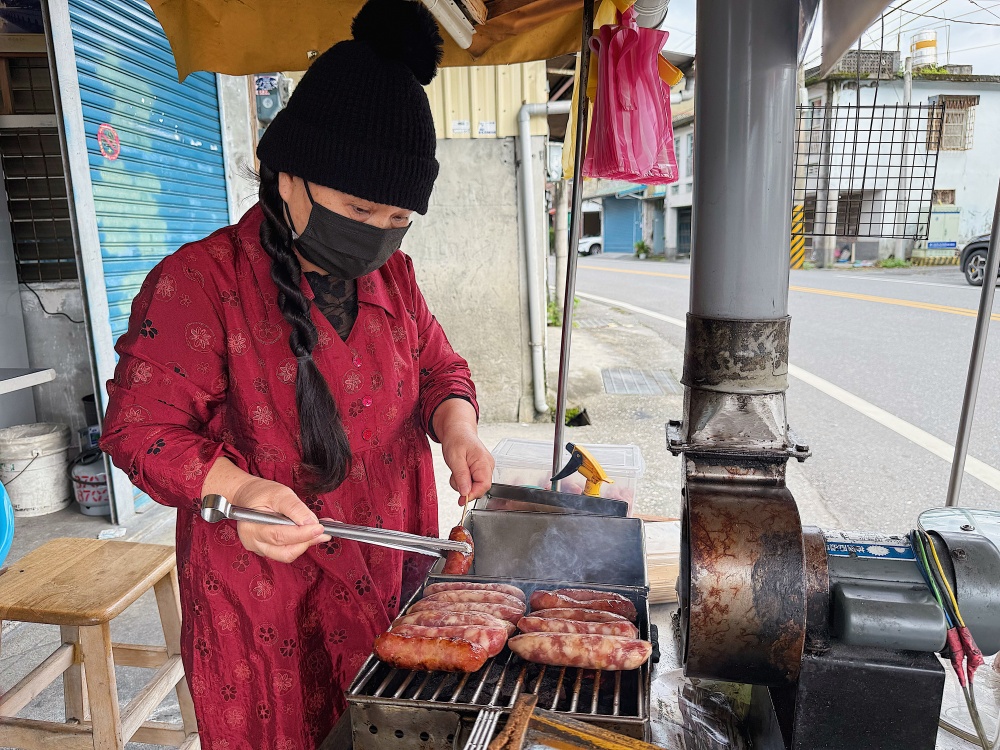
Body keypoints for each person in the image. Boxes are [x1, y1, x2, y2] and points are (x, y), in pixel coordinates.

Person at [99, 1, 494, 746]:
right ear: (286, 176)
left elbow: (441, 366)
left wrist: (458, 430)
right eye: (360, 208)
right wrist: (240, 490)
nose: (379, 235)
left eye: (398, 218)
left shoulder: (396, 280)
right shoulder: (199, 284)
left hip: (390, 584)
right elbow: (138, 429)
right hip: (266, 606)